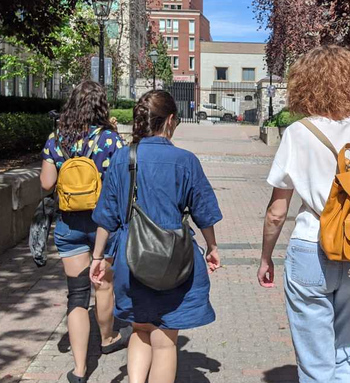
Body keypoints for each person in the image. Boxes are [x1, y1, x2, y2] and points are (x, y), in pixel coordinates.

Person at [257, 45, 350, 383]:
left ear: (304, 85)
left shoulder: (298, 133)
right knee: (345, 354)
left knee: (315, 364)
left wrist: (266, 257)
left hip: (312, 246)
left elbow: (277, 212)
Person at [89, 90, 222, 383]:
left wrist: (98, 257)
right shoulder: (185, 161)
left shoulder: (123, 158)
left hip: (131, 256)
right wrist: (212, 246)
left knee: (140, 329)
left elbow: (106, 216)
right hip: (174, 258)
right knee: (164, 338)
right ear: (171, 121)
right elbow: (204, 211)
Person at [39, 81, 129, 383]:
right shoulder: (110, 141)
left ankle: (79, 370)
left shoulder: (56, 139)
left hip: (68, 224)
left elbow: (46, 184)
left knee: (77, 295)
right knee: (104, 286)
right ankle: (107, 338)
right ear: (101, 106)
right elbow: (120, 185)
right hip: (103, 224)